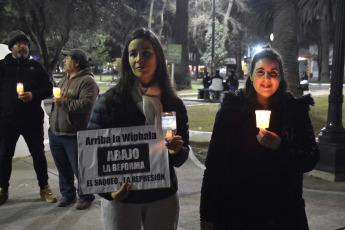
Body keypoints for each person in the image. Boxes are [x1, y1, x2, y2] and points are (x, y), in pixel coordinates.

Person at [200, 45, 320, 230]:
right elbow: (215, 167)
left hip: (283, 213)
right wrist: (207, 215)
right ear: (250, 75)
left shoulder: (294, 110)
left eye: (273, 72)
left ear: (281, 76)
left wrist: (282, 146)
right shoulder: (232, 110)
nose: (266, 78)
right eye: (261, 72)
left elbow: (310, 158)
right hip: (239, 212)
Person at [87, 28, 189, 230]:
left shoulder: (172, 104)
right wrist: (110, 192)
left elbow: (181, 156)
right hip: (122, 199)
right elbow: (92, 157)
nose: (139, 59)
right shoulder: (108, 102)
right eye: (133, 54)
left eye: (146, 53)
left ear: (158, 58)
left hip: (162, 196)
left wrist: (176, 150)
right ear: (126, 60)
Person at [0, 30, 56, 205]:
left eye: (25, 44)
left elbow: (48, 88)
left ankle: (44, 187)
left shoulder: (35, 67)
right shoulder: (1, 66)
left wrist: (34, 94)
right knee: (4, 156)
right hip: (7, 121)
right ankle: (3, 189)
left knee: (38, 154)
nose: (23, 46)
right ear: (11, 47)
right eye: (19, 43)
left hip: (32, 120)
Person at [49, 49, 99, 210]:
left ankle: (86, 196)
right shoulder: (64, 79)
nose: (64, 61)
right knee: (62, 167)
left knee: (80, 168)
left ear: (76, 62)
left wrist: (63, 103)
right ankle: (68, 194)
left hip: (74, 133)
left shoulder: (87, 81)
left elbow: (86, 105)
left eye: (67, 59)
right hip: (56, 132)